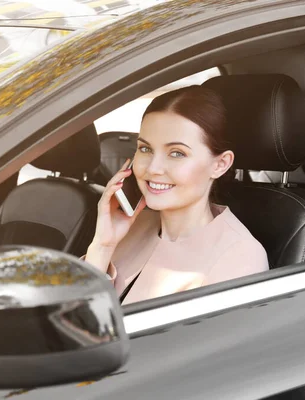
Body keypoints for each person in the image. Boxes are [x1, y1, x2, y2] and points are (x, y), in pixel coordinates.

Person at [84, 85, 269, 305]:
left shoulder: (241, 257)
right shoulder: (130, 225)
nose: (153, 168)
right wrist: (102, 247)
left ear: (220, 164)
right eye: (145, 149)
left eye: (177, 153)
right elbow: (67, 323)